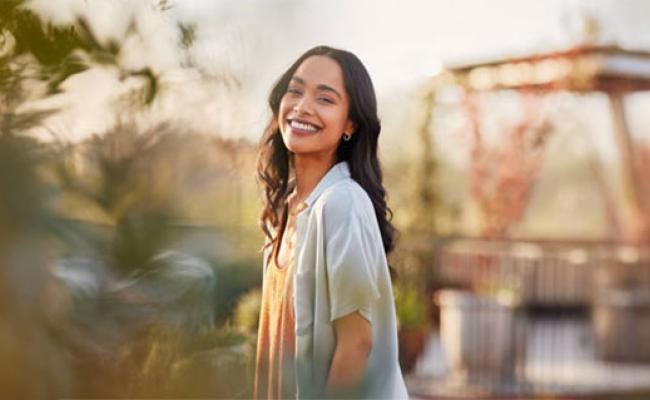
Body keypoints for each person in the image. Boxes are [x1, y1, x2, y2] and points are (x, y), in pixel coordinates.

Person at [255, 45, 409, 399]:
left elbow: (356, 344)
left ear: (350, 124)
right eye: (295, 91)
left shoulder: (342, 203)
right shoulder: (287, 210)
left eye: (325, 99)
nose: (302, 106)